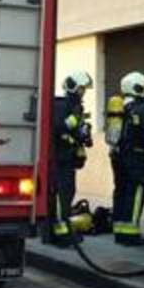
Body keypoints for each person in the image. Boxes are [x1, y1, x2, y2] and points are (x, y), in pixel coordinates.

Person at [112, 72, 144, 246]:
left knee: (121, 191)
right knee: (137, 192)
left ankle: (119, 231)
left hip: (117, 156)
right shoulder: (142, 108)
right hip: (136, 157)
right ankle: (131, 233)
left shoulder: (119, 106)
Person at [49, 71, 94, 246]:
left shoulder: (74, 106)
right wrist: (75, 121)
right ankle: (61, 234)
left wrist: (83, 134)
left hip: (67, 160)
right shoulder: (61, 105)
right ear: (73, 87)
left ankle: (62, 229)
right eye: (82, 88)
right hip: (60, 160)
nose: (84, 92)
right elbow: (59, 129)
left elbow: (74, 131)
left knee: (68, 193)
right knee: (62, 195)